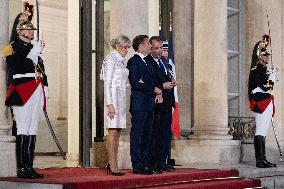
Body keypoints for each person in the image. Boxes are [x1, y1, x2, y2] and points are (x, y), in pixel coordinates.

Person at [2, 11, 48, 178]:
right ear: (19, 30)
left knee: (33, 128)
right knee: (22, 128)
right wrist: (34, 53)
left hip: (37, 90)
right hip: (22, 90)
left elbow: (42, 71)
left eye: (31, 28)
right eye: (27, 28)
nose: (31, 31)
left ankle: (29, 166)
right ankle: (21, 168)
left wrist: (46, 89)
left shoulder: (34, 47)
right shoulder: (11, 48)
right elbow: (18, 67)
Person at [127, 35, 162, 174]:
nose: (150, 46)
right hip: (139, 105)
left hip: (149, 104)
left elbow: (150, 80)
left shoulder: (147, 62)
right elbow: (135, 82)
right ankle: (137, 165)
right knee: (137, 135)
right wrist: (152, 88)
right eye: (148, 43)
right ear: (140, 46)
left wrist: (148, 85)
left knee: (147, 136)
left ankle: (146, 163)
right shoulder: (134, 61)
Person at [100, 34, 131, 176]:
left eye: (128, 47)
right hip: (113, 100)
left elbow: (123, 81)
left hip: (121, 98)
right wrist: (109, 104)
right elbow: (107, 83)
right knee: (112, 132)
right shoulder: (111, 59)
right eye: (125, 47)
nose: (127, 50)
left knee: (117, 132)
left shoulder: (121, 60)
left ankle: (113, 162)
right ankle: (112, 165)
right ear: (118, 47)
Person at [145, 36, 176, 172]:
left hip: (167, 102)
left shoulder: (163, 61)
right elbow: (148, 82)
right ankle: (152, 163)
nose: (159, 51)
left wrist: (172, 81)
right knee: (155, 134)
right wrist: (162, 86)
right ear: (150, 48)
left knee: (164, 134)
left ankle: (162, 162)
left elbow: (166, 75)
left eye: (160, 48)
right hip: (156, 103)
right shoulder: (147, 62)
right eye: (156, 48)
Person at [248, 34, 277, 168]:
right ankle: (259, 160)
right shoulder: (256, 70)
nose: (267, 57)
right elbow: (265, 86)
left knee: (264, 131)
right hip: (261, 103)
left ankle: (263, 159)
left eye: (268, 55)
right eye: (265, 55)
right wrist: (272, 77)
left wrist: (271, 75)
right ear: (259, 56)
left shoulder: (264, 70)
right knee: (260, 131)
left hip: (267, 102)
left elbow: (269, 87)